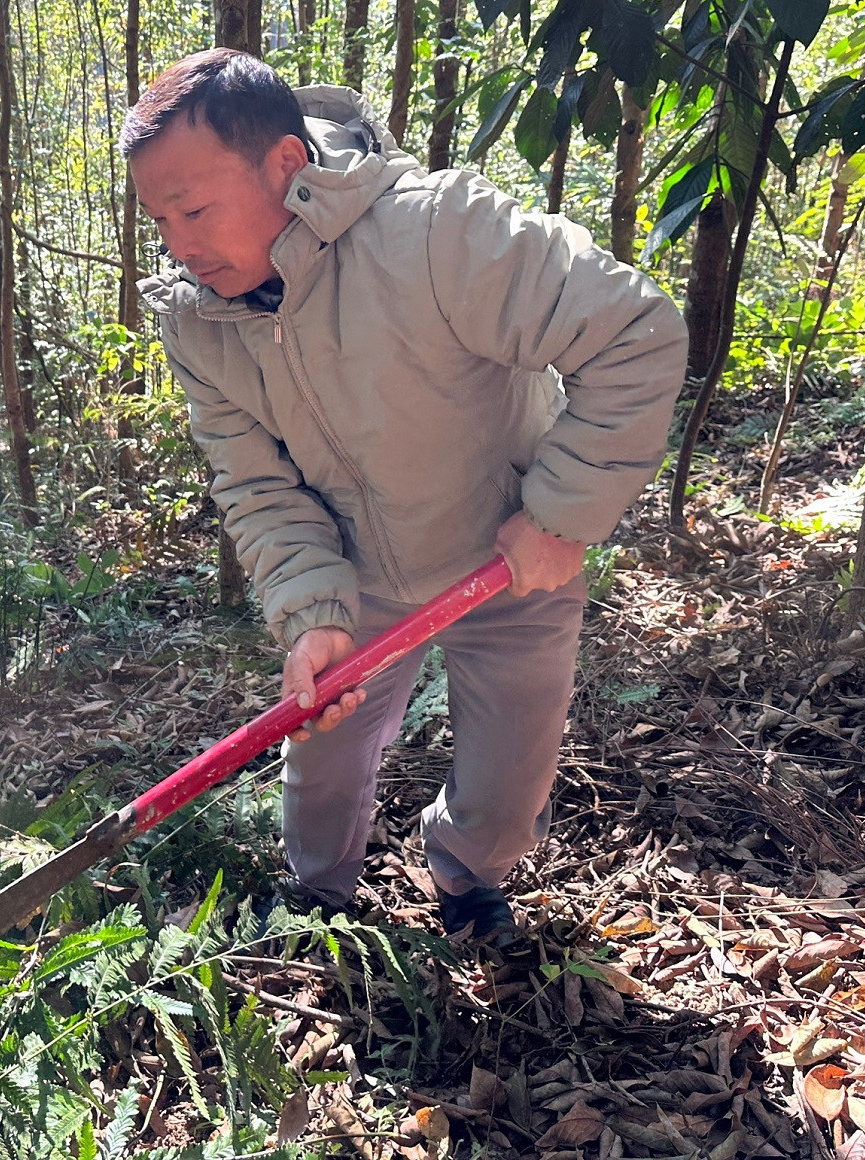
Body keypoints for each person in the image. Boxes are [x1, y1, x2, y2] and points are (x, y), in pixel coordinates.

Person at [127, 49, 686, 941]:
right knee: (322, 768)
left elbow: (634, 334)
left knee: (511, 785)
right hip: (361, 580)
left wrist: (557, 516)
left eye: (194, 209)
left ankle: (468, 877)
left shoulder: (435, 233)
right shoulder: (200, 322)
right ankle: (317, 901)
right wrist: (313, 609)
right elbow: (255, 482)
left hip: (512, 565)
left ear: (285, 163)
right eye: (160, 219)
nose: (179, 245)